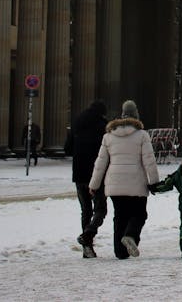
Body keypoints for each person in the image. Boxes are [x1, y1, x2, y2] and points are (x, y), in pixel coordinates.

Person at [89, 99, 159, 259]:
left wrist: (94, 185)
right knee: (139, 214)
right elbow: (149, 160)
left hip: (114, 184)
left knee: (119, 216)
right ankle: (130, 236)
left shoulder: (108, 136)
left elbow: (100, 163)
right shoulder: (142, 135)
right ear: (136, 117)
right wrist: (154, 183)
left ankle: (120, 252)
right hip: (136, 183)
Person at [67, 99, 108, 258]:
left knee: (85, 210)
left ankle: (87, 248)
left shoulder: (77, 123)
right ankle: (88, 234)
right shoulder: (102, 126)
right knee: (100, 209)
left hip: (78, 173)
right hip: (96, 174)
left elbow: (67, 148)